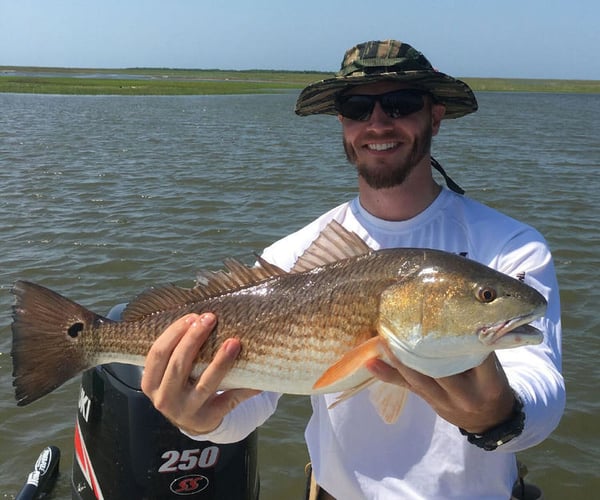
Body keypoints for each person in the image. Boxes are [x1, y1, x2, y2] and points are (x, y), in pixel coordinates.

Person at [141, 40, 565, 499]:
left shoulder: (510, 247)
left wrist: (499, 416)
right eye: (357, 107)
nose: (378, 123)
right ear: (342, 122)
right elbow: (252, 399)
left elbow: (540, 382)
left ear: (435, 116)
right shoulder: (292, 256)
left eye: (401, 103)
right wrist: (202, 421)